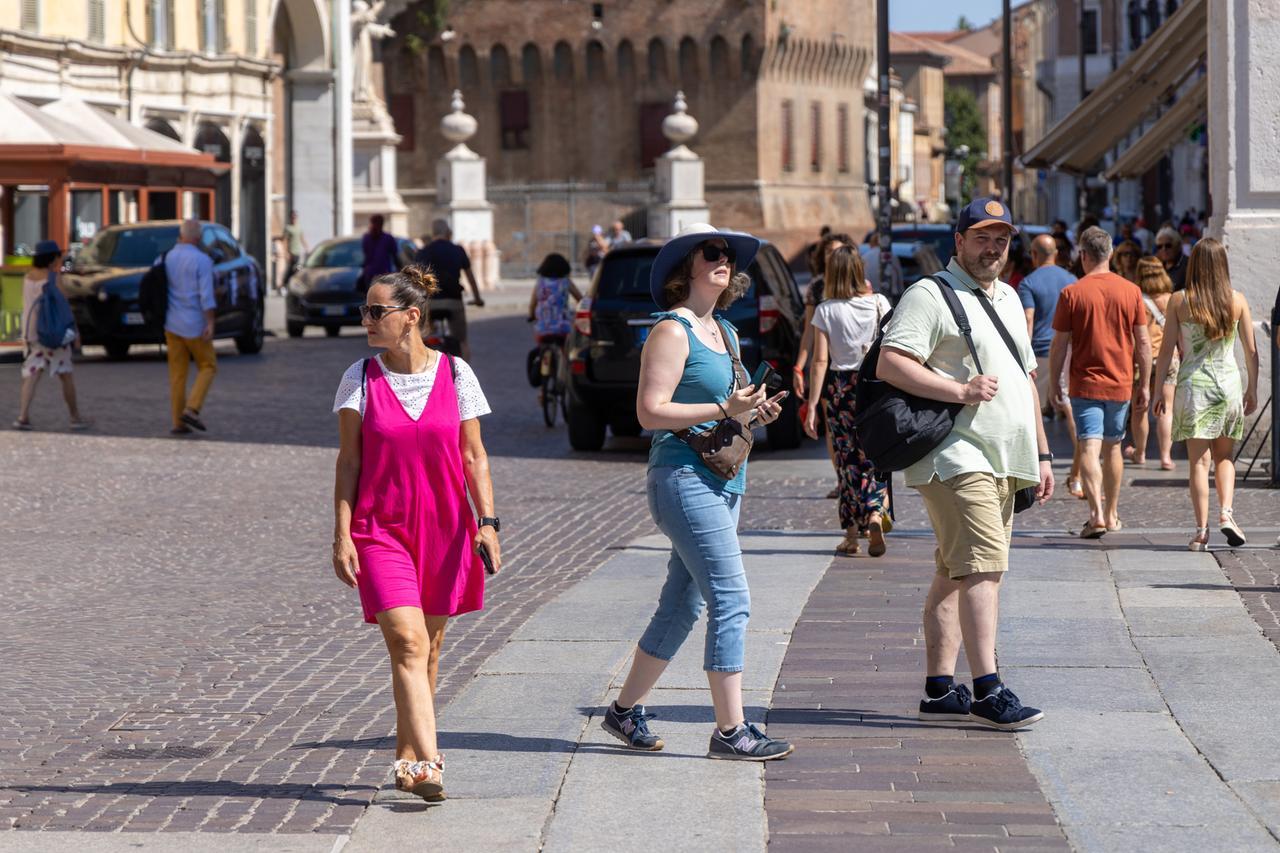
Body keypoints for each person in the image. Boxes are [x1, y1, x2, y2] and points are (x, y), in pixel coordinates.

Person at [601, 222, 793, 761]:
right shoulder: (672, 331)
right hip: (683, 478)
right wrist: (723, 409)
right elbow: (649, 413)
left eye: (728, 255)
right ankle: (731, 730)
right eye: (711, 253)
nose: (723, 260)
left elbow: (729, 405)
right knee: (731, 599)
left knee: (680, 605)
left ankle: (621, 712)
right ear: (686, 268)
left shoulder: (725, 332)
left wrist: (753, 408)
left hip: (725, 478)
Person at [877, 197, 1052, 731]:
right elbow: (891, 361)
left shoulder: (1005, 297)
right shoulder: (930, 295)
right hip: (955, 453)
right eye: (982, 237)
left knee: (955, 570)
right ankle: (988, 689)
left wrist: (1042, 453)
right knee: (984, 568)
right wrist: (959, 388)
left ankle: (937, 689)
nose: (993, 247)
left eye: (1001, 238)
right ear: (959, 241)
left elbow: (1025, 380)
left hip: (1006, 457)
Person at [331, 264, 498, 802]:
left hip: (447, 530)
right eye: (365, 311)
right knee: (406, 640)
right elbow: (349, 462)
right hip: (380, 530)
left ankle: (405, 759)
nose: (367, 320)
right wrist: (341, 534)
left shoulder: (456, 374)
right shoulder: (359, 377)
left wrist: (488, 523)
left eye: (377, 312)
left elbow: (474, 456)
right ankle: (429, 762)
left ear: (412, 316)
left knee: (427, 652)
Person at [1152, 239, 1257, 551]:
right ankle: (1226, 513)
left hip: (1194, 387)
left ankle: (1201, 531)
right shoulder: (1237, 300)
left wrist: (1159, 390)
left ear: (1194, 264)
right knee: (1225, 456)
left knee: (1199, 462)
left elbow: (1166, 349)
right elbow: (1251, 351)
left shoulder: (1180, 300)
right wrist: (1253, 387)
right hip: (1227, 386)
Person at [1047, 227, 1151, 538]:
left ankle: (1095, 516)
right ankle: (1112, 512)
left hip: (1084, 383)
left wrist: (1054, 383)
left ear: (1083, 255)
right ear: (1109, 255)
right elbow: (1143, 343)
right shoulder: (1130, 291)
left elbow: (1059, 345)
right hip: (1120, 382)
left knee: (1089, 446)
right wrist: (1144, 384)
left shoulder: (1073, 293)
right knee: (1114, 446)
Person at [802, 246, 893, 557]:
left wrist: (813, 405)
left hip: (841, 388)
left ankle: (852, 536)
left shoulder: (825, 310)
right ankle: (874, 514)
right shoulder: (879, 303)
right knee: (875, 456)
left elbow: (819, 362)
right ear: (859, 271)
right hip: (875, 384)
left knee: (846, 461)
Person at [1018, 234, 1082, 498]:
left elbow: (1028, 319)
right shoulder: (1072, 281)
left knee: (1030, 413)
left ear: (1033, 255)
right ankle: (1078, 471)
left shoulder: (1028, 283)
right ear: (1056, 253)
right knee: (1070, 413)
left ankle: (1030, 471)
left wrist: (1023, 357)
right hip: (1069, 351)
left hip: (1040, 353)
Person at [794, 231, 855, 498]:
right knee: (833, 427)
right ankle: (842, 478)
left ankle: (859, 481)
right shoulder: (817, 287)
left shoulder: (860, 285)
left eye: (838, 252)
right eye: (829, 252)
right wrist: (799, 366)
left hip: (853, 363)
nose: (833, 257)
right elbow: (809, 330)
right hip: (826, 364)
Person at [13, 240, 90, 431]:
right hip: (53, 334)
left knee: (31, 374)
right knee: (65, 375)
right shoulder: (53, 278)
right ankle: (75, 417)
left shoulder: (28, 277)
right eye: (57, 256)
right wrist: (75, 332)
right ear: (51, 258)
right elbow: (64, 308)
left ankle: (23, 416)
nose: (59, 259)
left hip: (33, 334)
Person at [164, 219, 218, 436]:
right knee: (208, 365)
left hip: (172, 323)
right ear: (197, 238)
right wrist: (210, 322)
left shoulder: (168, 257)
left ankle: (178, 422)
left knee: (177, 375)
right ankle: (192, 408)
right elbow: (206, 296)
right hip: (194, 323)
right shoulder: (202, 260)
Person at [1124, 257, 1178, 470]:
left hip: (1141, 359)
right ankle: (1166, 457)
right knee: (1166, 409)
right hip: (1169, 358)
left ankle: (1140, 453)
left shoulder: (1136, 297)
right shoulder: (1172, 298)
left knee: (1140, 409)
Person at [414, 219, 484, 361]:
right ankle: (464, 376)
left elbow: (415, 279)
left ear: (433, 234)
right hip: (454, 301)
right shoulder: (457, 250)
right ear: (448, 233)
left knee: (423, 337)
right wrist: (477, 298)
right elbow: (471, 277)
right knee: (462, 340)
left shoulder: (424, 252)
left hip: (430, 303)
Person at [361, 214, 399, 289]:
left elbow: (366, 255)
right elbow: (395, 256)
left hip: (373, 273)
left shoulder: (367, 238)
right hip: (382, 273)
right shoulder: (388, 238)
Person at [280, 210, 308, 285]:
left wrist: (307, 248)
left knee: (297, 269)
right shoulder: (288, 228)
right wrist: (286, 253)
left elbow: (302, 238)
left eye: (295, 217)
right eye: (292, 217)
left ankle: (291, 284)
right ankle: (284, 284)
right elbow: (284, 241)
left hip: (297, 252)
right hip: (291, 252)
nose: (294, 219)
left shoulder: (299, 228)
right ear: (290, 218)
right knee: (290, 269)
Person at [1156, 225, 1187, 291]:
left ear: (1178, 245)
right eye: (1159, 246)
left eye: (1168, 245)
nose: (1163, 249)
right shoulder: (1156, 266)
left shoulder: (1188, 264)